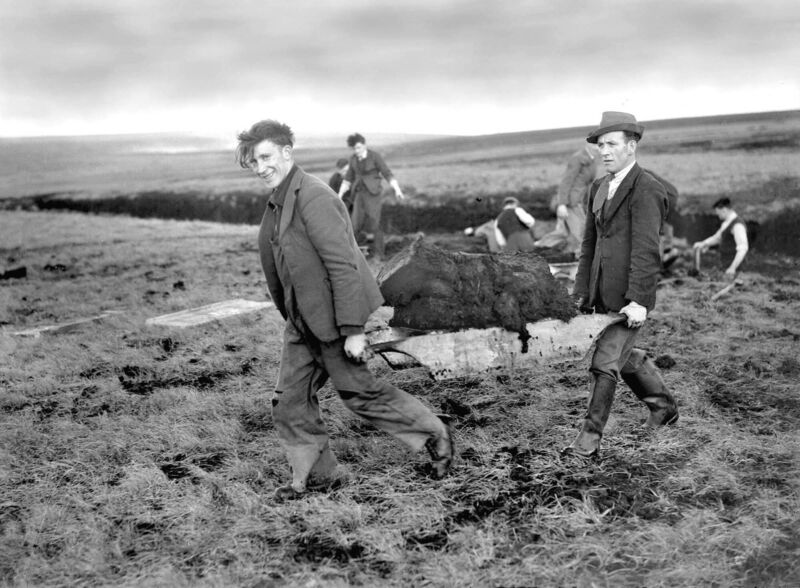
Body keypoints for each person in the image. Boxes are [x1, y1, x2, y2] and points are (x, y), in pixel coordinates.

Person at [235, 120, 453, 500]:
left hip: (335, 321)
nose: (260, 167)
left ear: (288, 151)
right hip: (302, 324)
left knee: (360, 394)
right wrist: (295, 318)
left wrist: (353, 330)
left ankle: (434, 434)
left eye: (266, 156)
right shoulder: (278, 202)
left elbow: (344, 265)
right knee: (290, 401)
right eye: (253, 162)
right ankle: (321, 478)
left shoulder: (314, 196)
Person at [564, 111, 679, 459]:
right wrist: (581, 292)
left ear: (631, 146)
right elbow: (588, 245)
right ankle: (663, 407)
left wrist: (639, 301)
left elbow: (647, 251)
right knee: (625, 357)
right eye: (600, 145)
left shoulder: (647, 189)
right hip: (599, 293)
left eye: (612, 144)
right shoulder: (599, 187)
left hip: (629, 298)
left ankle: (588, 442)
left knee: (605, 364)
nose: (605, 151)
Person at [337, 133, 405, 259]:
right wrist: (339, 195)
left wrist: (397, 190)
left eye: (359, 147)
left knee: (375, 223)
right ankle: (353, 256)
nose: (357, 151)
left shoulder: (375, 157)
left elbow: (387, 173)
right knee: (354, 223)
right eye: (354, 148)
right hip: (359, 193)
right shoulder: (352, 159)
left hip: (373, 194)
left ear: (364, 145)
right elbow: (347, 179)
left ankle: (379, 255)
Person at [535, 144, 602, 257]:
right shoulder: (577, 158)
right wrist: (562, 204)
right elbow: (566, 181)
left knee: (563, 233)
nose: (597, 147)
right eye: (595, 144)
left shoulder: (592, 160)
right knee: (582, 233)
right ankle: (581, 262)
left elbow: (588, 185)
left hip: (580, 201)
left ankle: (536, 248)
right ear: (588, 143)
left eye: (600, 144)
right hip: (571, 202)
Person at [692, 197, 749, 280]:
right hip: (725, 266)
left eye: (719, 214)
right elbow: (717, 238)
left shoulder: (737, 225)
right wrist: (704, 243)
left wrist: (732, 267)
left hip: (736, 270)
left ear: (724, 210)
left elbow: (743, 248)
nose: (718, 216)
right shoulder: (726, 223)